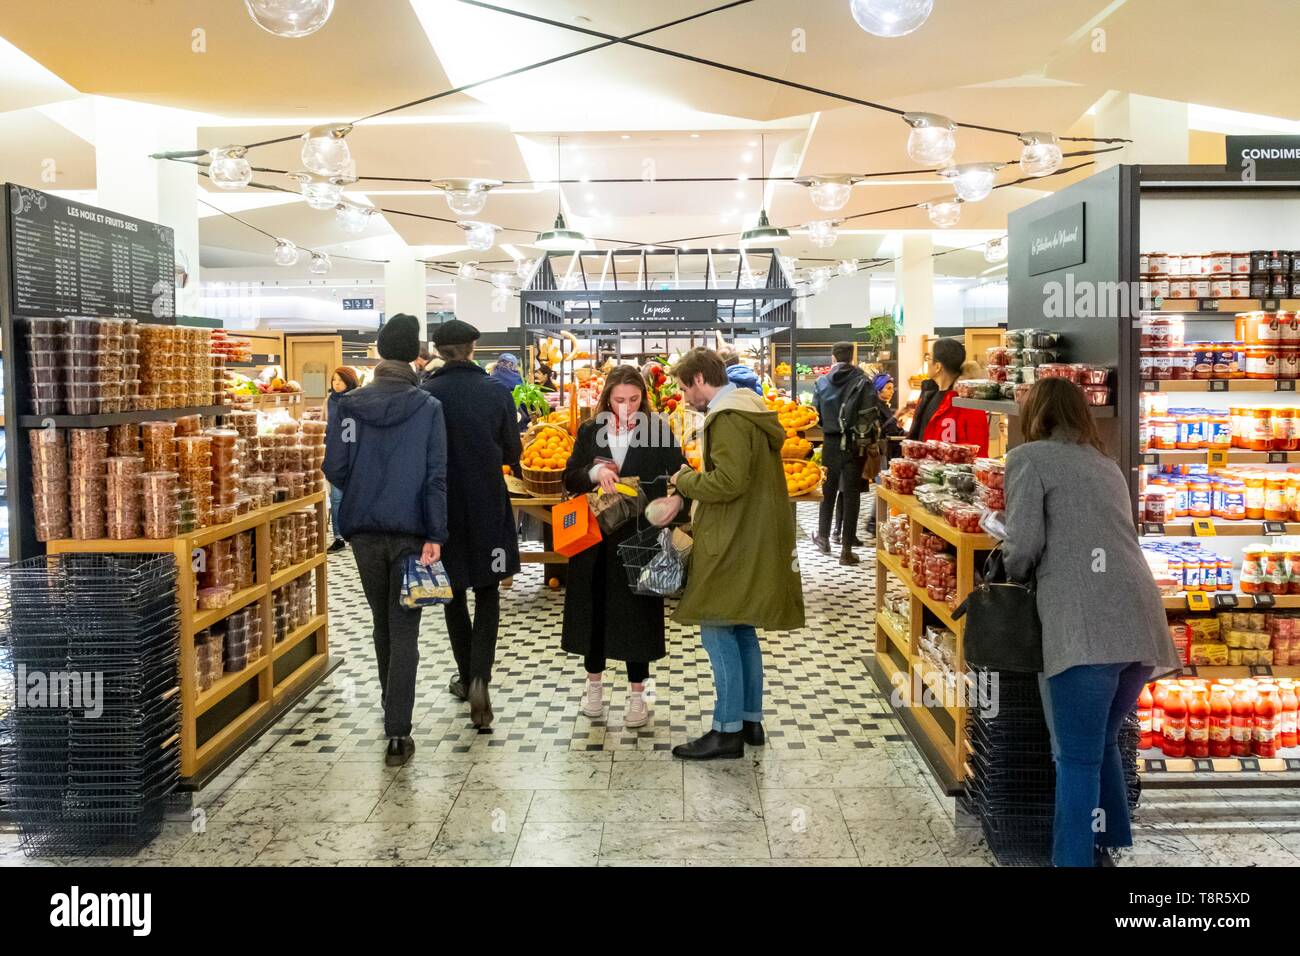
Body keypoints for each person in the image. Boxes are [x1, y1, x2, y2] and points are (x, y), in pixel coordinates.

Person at [1001, 378, 1179, 867]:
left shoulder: (1028, 458)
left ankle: (1072, 861)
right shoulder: (1107, 466)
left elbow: (1023, 548)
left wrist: (1009, 561)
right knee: (1101, 741)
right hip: (1141, 624)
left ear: (1035, 414)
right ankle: (1106, 841)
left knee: (1075, 757)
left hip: (1085, 627)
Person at [324, 313, 448, 767]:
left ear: (377, 351)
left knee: (381, 623)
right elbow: (436, 477)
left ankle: (388, 719)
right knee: (405, 629)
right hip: (413, 531)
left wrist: (361, 484)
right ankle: (399, 731)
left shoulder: (347, 405)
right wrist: (436, 532)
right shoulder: (428, 407)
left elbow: (333, 467)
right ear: (414, 353)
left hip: (364, 531)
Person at [668, 348, 805, 760]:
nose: (683, 396)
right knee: (742, 627)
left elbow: (728, 482)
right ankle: (750, 721)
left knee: (715, 624)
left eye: (682, 387)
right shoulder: (752, 408)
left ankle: (725, 731)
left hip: (732, 536)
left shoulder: (727, 418)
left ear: (697, 380)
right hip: (756, 532)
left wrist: (685, 480)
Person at [562, 365, 686, 728]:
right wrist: (593, 473)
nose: (627, 407)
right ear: (607, 399)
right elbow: (569, 476)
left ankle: (638, 695)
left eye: (634, 399)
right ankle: (594, 688)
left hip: (639, 536)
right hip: (594, 538)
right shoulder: (590, 431)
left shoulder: (657, 430)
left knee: (638, 616)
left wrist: (676, 500)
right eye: (619, 400)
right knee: (593, 610)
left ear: (643, 398)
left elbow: (680, 469)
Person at [421, 319, 522, 730]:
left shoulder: (425, 395)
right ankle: (481, 678)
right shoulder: (496, 393)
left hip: (443, 510)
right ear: (474, 347)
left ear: (438, 350)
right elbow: (513, 450)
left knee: (453, 594)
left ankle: (464, 678)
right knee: (489, 593)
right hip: (487, 506)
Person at [810, 342, 870, 564]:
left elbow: (816, 414)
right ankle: (846, 550)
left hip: (831, 441)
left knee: (828, 490)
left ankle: (824, 538)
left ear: (833, 358)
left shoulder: (822, 381)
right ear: (852, 357)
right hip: (856, 444)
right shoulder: (863, 381)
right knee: (851, 494)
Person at [907, 337, 989, 455]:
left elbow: (978, 450)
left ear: (938, 366)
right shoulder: (928, 394)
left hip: (950, 472)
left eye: (929, 358)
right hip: (924, 470)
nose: (927, 362)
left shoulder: (967, 403)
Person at [856, 371, 904, 540]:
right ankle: (873, 521)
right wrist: (897, 416)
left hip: (886, 450)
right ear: (878, 389)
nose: (891, 391)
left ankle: (875, 520)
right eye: (888, 388)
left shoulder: (883, 405)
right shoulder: (876, 407)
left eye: (892, 388)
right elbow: (880, 429)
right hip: (880, 452)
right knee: (883, 486)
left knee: (883, 486)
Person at [324, 365, 360, 553]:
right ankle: (339, 537)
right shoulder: (329, 400)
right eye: (334, 380)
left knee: (353, 496)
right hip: (333, 453)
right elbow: (326, 425)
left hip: (354, 454)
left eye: (340, 380)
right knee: (336, 498)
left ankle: (354, 534)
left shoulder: (357, 400)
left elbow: (354, 432)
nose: (336, 384)